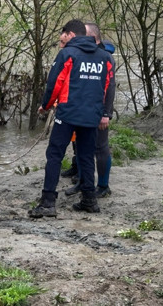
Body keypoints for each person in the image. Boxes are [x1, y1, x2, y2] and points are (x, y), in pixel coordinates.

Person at [29, 19, 113, 218]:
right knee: (85, 156)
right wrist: (103, 113)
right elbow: (108, 87)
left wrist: (46, 105)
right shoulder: (105, 58)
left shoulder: (67, 54)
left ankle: (48, 202)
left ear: (70, 34)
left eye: (62, 36)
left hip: (67, 114)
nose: (61, 40)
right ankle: (89, 200)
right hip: (91, 115)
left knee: (55, 155)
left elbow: (55, 82)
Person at [63, 23, 116, 198]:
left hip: (98, 111)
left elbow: (110, 88)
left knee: (101, 148)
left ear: (92, 36)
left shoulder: (105, 56)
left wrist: (105, 113)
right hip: (81, 110)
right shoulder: (80, 53)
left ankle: (103, 186)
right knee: (79, 146)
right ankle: (83, 181)